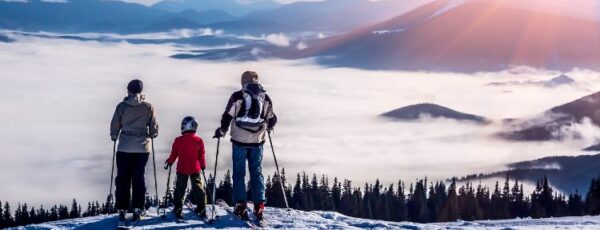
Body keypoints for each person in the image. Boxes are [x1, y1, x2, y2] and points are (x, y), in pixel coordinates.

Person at [214, 71, 277, 220]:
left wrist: (222, 131)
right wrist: (268, 126)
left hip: (239, 141)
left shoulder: (236, 96)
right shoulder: (265, 97)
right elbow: (272, 119)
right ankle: (259, 205)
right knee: (256, 172)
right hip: (258, 141)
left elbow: (227, 116)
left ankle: (240, 205)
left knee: (239, 173)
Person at [110, 79, 159, 222]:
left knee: (123, 178)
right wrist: (151, 134)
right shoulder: (148, 107)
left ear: (129, 91)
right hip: (142, 149)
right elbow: (154, 129)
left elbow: (115, 125)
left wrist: (114, 136)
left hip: (124, 147)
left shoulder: (121, 107)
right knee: (138, 178)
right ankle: (138, 209)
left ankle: (122, 209)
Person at [164, 116, 207, 220]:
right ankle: (202, 208)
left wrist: (169, 162)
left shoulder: (178, 140)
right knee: (198, 187)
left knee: (180, 188)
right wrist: (203, 165)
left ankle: (178, 208)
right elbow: (202, 155)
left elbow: (174, 154)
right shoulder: (199, 140)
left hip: (182, 168)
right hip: (195, 168)